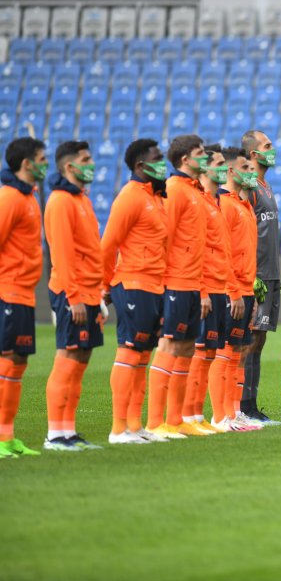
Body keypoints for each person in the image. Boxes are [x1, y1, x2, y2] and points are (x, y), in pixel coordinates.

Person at [101, 138, 170, 445]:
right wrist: (104, 286)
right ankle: (118, 429)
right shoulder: (129, 196)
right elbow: (108, 245)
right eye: (157, 158)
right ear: (141, 165)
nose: (163, 164)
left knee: (142, 356)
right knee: (129, 353)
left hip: (155, 285)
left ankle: (134, 425)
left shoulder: (155, 197)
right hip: (133, 283)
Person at [145, 134, 209, 439]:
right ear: (185, 159)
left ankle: (175, 419)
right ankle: (155, 422)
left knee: (186, 348)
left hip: (193, 282)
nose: (205, 158)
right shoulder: (174, 189)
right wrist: (163, 282)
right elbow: (163, 238)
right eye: (201, 153)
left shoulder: (193, 190)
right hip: (176, 282)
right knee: (169, 346)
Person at [43, 141, 105, 451]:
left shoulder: (82, 199)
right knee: (67, 357)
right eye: (86, 159)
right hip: (73, 292)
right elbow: (62, 254)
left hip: (89, 291)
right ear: (70, 166)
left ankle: (68, 431)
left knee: (81, 359)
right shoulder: (60, 201)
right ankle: (55, 434)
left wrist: (98, 293)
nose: (91, 164)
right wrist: (73, 296)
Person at [0, 136, 46, 458]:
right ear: (27, 163)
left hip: (25, 293)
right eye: (42, 159)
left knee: (18, 362)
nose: (46, 164)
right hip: (9, 291)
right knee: (6, 361)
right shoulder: (10, 198)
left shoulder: (29, 197)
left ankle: (7, 437)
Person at [212, 147, 262, 430]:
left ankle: (234, 412)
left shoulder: (244, 205)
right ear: (231, 171)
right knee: (226, 350)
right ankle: (220, 416)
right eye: (246, 168)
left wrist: (250, 290)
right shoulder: (225, 204)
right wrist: (232, 290)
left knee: (240, 351)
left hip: (246, 288)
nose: (252, 172)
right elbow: (223, 253)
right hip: (231, 290)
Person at [184, 145, 231, 435]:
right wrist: (201, 289)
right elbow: (191, 248)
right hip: (201, 286)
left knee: (209, 352)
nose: (224, 168)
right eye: (219, 163)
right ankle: (187, 416)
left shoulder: (215, 201)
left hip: (219, 286)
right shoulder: (195, 199)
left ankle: (197, 416)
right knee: (198, 352)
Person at [242, 130, 280, 424]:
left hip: (270, 274)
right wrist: (250, 275)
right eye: (267, 146)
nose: (272, 149)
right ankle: (242, 406)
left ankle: (251, 405)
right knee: (249, 341)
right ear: (254, 154)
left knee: (260, 340)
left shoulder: (266, 186)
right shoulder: (249, 186)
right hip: (256, 276)